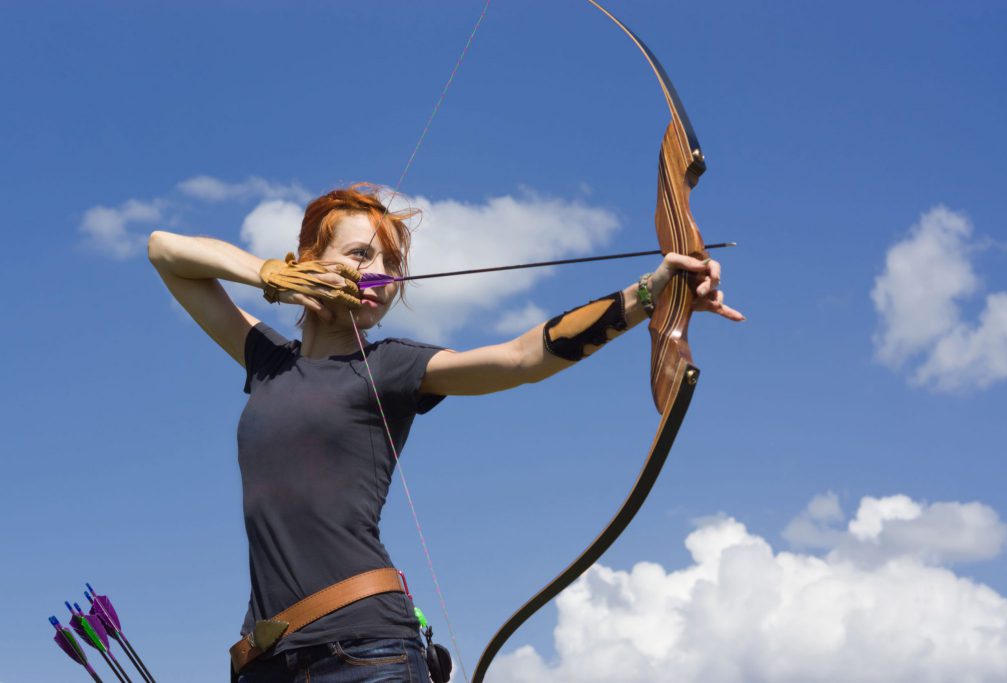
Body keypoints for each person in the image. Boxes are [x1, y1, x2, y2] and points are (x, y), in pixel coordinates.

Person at [147, 184, 743, 683]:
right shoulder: (266, 361)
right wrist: (269, 276)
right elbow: (165, 251)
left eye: (391, 266)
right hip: (264, 662)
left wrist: (648, 294)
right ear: (305, 258)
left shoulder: (392, 366)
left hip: (365, 653)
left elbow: (518, 359)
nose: (378, 274)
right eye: (359, 255)